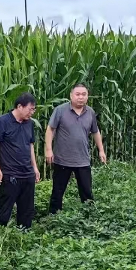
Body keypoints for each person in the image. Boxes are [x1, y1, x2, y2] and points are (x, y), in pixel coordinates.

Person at [45, 83, 106, 214]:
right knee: (57, 192)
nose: (80, 97)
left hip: (82, 159)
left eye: (84, 94)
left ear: (87, 96)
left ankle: (88, 217)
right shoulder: (60, 110)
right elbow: (50, 129)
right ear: (71, 95)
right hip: (62, 159)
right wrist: (48, 149)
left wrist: (101, 150)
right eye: (77, 94)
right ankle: (53, 217)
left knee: (86, 192)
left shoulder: (90, 112)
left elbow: (95, 132)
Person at [0, 92, 40, 230]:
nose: (32, 112)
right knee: (4, 209)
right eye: (30, 109)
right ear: (19, 106)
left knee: (27, 209)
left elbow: (30, 146)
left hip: (27, 173)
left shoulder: (29, 123)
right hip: (10, 173)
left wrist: (34, 167)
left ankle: (24, 235)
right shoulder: (2, 121)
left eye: (34, 109)